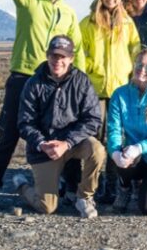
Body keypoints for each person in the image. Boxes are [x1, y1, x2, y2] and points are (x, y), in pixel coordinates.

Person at [0, 0, 85, 208]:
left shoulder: (69, 13)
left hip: (55, 82)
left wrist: (81, 81)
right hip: (23, 77)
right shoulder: (28, 1)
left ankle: (70, 187)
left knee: (64, 132)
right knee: (10, 134)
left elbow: (78, 48)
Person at [13, 35, 104, 218]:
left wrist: (68, 142)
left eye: (63, 57)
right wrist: (41, 143)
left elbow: (93, 119)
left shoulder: (81, 81)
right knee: (47, 207)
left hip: (72, 144)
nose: (58, 61)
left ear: (71, 58)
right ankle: (23, 186)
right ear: (47, 56)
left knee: (97, 149)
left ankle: (84, 197)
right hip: (44, 149)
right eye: (54, 56)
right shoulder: (33, 83)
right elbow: (25, 122)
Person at [80, 0, 141, 203]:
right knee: (94, 140)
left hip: (119, 90)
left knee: (116, 139)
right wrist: (88, 72)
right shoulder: (88, 23)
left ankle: (114, 186)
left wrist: (132, 77)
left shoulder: (127, 25)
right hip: (94, 90)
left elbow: (135, 50)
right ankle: (90, 187)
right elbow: (80, 54)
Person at [107, 49, 147, 215]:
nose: (142, 70)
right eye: (139, 64)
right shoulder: (119, 94)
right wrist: (115, 152)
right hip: (131, 158)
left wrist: (139, 148)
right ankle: (125, 187)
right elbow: (114, 129)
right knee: (124, 154)